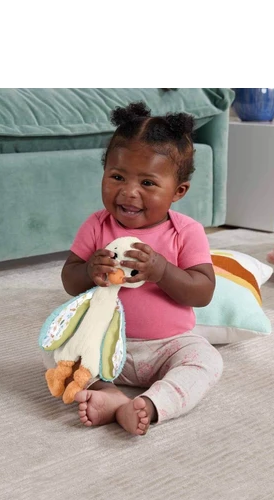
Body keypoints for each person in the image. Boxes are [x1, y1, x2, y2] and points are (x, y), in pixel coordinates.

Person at [61, 101, 223, 435]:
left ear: (178, 191)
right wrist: (89, 270)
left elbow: (203, 291)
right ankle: (108, 394)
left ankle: (153, 403)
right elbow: (69, 280)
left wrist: (162, 271)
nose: (129, 192)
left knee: (207, 361)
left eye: (147, 183)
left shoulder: (186, 232)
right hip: (104, 343)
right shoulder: (96, 225)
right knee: (57, 352)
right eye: (117, 177)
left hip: (169, 345)